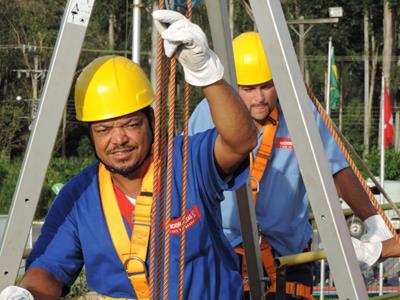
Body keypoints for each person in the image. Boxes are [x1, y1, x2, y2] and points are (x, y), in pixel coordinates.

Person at [0, 11, 257, 300]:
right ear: (90, 136)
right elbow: (48, 270)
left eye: (131, 124)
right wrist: (27, 294)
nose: (119, 138)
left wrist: (207, 74)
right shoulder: (79, 198)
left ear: (151, 121)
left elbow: (241, 140)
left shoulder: (187, 162)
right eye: (104, 129)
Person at [188, 31, 394, 299]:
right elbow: (191, 181)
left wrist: (374, 221)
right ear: (231, 86)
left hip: (288, 255)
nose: (259, 98)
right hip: (227, 254)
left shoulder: (298, 110)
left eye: (267, 86)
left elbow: (336, 170)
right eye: (248, 89)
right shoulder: (207, 113)